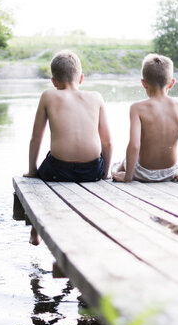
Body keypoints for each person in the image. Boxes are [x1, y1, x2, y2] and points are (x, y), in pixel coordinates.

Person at [24, 50, 112, 244]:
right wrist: (104, 173)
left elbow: (36, 138)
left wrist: (32, 170)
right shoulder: (96, 97)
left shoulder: (48, 96)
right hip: (92, 171)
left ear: (53, 81)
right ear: (81, 78)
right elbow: (107, 142)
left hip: (58, 170)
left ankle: (35, 231)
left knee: (40, 175)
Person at [112, 53, 178, 183]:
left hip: (143, 173)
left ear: (143, 83)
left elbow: (134, 146)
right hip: (171, 172)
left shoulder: (137, 108)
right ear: (172, 83)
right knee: (177, 157)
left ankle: (119, 170)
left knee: (118, 165)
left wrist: (128, 177)